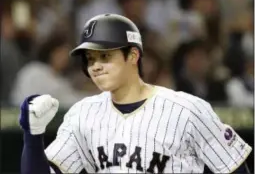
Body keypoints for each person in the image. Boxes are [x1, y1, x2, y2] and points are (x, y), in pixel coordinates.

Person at [19, 14, 252, 174]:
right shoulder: (82, 114)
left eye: (105, 56)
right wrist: (32, 136)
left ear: (132, 55)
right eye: (90, 59)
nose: (95, 66)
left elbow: (234, 168)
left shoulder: (187, 110)